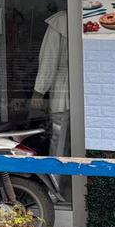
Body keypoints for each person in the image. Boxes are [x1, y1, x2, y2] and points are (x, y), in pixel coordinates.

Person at [30, 10, 69, 157]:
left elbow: (49, 58)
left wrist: (39, 91)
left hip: (63, 89)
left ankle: (57, 171)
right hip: (74, 86)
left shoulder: (60, 21)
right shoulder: (63, 20)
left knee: (60, 138)